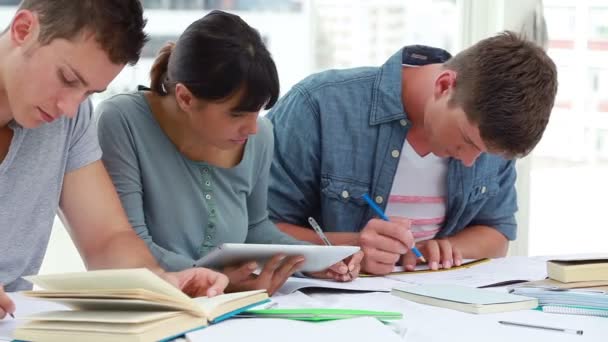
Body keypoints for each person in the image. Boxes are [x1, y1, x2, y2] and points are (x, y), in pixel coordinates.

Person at [96, 10, 362, 295]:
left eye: (257, 112)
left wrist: (312, 259)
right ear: (185, 97)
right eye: (237, 114)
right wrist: (215, 278)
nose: (253, 128)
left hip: (229, 307)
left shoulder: (261, 138)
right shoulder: (122, 121)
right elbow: (130, 242)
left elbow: (256, 227)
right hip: (152, 305)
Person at [0, 0, 229, 320]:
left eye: (89, 92)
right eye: (67, 78)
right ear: (24, 29)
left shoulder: (70, 117)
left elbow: (107, 238)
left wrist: (158, 282)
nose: (69, 107)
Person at [266, 32, 558, 275]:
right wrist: (349, 248)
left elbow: (497, 234)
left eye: (485, 154)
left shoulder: (489, 131)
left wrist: (451, 246)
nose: (471, 161)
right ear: (444, 86)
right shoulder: (319, 105)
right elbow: (258, 231)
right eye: (467, 141)